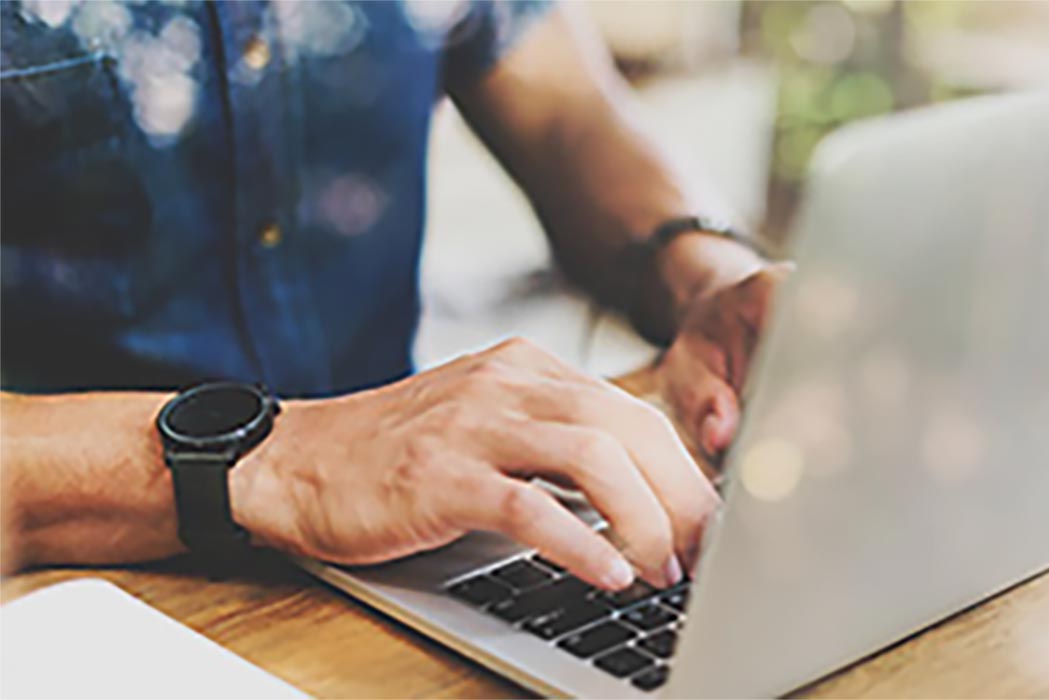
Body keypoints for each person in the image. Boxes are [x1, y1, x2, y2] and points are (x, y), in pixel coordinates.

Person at [0, 1, 784, 591]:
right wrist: (288, 462)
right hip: (76, 600)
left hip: (407, 559)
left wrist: (703, 274)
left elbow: (566, 114)